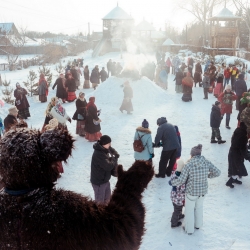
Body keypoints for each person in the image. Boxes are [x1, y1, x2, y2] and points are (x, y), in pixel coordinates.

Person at [170, 144, 221, 235]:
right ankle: (198, 225)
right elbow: (218, 172)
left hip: (191, 192)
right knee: (199, 207)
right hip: (203, 191)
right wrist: (208, 176)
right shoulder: (206, 162)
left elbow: (181, 180)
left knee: (189, 210)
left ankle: (189, 229)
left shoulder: (188, 165)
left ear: (192, 154)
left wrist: (172, 183)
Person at [90, 135, 119, 204]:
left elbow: (110, 149)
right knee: (100, 204)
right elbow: (108, 166)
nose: (110, 145)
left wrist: (115, 153)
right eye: (108, 143)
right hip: (99, 183)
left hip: (105, 180)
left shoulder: (103, 148)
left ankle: (106, 213)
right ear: (104, 144)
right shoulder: (98, 154)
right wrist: (115, 159)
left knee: (107, 200)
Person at [226, 122, 248, 188]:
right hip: (237, 154)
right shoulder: (243, 136)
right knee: (238, 168)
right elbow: (242, 148)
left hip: (232, 151)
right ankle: (229, 182)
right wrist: (247, 156)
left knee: (234, 168)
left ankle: (234, 180)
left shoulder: (237, 130)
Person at [170, 159, 185, 228]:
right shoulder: (182, 178)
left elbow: (170, 181)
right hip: (179, 198)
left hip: (173, 196)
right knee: (177, 210)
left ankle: (180, 215)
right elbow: (182, 188)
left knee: (177, 207)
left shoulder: (174, 173)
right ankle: (174, 223)